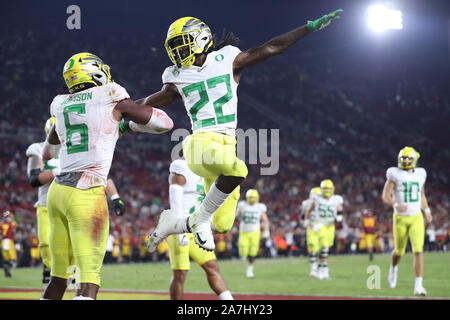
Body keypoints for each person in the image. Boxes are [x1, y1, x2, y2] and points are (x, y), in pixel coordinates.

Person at [142, 10, 343, 253]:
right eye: (175, 47)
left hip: (225, 148)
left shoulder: (227, 59)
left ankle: (173, 224)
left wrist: (308, 28)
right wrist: (122, 112)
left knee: (223, 224)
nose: (178, 52)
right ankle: (199, 219)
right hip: (199, 143)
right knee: (239, 169)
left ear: (200, 39)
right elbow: (150, 101)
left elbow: (271, 48)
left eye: (182, 45)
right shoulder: (176, 76)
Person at [40, 52, 173, 300]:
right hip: (86, 193)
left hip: (57, 193)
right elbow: (164, 123)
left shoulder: (59, 103)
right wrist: (125, 118)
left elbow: (48, 152)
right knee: (88, 278)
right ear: (96, 72)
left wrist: (112, 125)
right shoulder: (110, 93)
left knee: (59, 276)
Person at [27, 121, 126, 285]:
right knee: (46, 243)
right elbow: (34, 179)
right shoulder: (38, 149)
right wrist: (58, 171)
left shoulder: (79, 149)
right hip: (47, 203)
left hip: (74, 201)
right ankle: (55, 273)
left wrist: (115, 197)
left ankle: (71, 279)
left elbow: (102, 175)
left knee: (74, 246)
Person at [166, 158, 233, 300]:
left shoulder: (207, 172)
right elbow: (175, 196)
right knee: (180, 273)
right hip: (180, 227)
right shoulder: (181, 165)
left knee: (212, 266)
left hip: (197, 229)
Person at [382, 146, 432, 296]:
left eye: (408, 158)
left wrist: (427, 210)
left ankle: (418, 286)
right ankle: (393, 268)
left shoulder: (421, 174)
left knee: (418, 250)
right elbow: (386, 195)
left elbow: (421, 194)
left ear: (414, 159)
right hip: (400, 218)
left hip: (416, 217)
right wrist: (395, 204)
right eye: (403, 158)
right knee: (399, 251)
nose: (405, 161)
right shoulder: (394, 174)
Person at [305, 180, 344, 280]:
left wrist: (340, 216)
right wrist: (307, 220)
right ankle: (324, 268)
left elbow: (340, 208)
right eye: (325, 189)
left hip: (330, 225)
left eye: (328, 189)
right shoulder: (317, 198)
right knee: (324, 245)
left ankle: (320, 267)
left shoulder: (336, 199)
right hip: (320, 224)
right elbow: (309, 210)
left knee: (327, 246)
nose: (327, 191)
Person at [236, 189, 269, 278]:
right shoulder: (242, 205)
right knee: (243, 251)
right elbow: (236, 214)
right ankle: (246, 260)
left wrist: (266, 231)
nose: (252, 199)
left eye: (253, 197)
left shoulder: (260, 207)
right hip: (244, 231)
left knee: (253, 252)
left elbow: (265, 219)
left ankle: (250, 269)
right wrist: (237, 215)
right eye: (250, 197)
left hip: (255, 231)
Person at [301, 187, 321, 277]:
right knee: (313, 248)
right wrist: (306, 224)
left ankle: (321, 267)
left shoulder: (323, 203)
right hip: (311, 228)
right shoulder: (306, 203)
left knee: (322, 248)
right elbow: (302, 217)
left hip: (321, 228)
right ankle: (313, 268)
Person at [1, 211, 17, 277]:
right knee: (12, 258)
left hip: (3, 242)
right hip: (9, 241)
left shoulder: (1, 224)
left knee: (6, 259)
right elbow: (14, 227)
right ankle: (9, 269)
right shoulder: (11, 224)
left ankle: (7, 273)